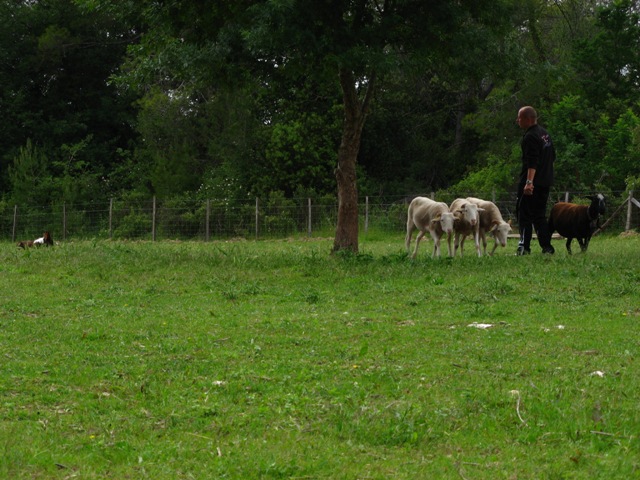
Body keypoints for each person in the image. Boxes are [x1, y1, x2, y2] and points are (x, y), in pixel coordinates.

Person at [515, 106, 555, 255]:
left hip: (532, 183)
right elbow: (552, 157)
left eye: (519, 118)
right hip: (545, 181)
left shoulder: (530, 136)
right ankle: (547, 247)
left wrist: (529, 183)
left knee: (524, 214)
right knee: (539, 215)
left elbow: (532, 161)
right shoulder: (545, 134)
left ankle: (524, 247)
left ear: (527, 118)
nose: (517, 120)